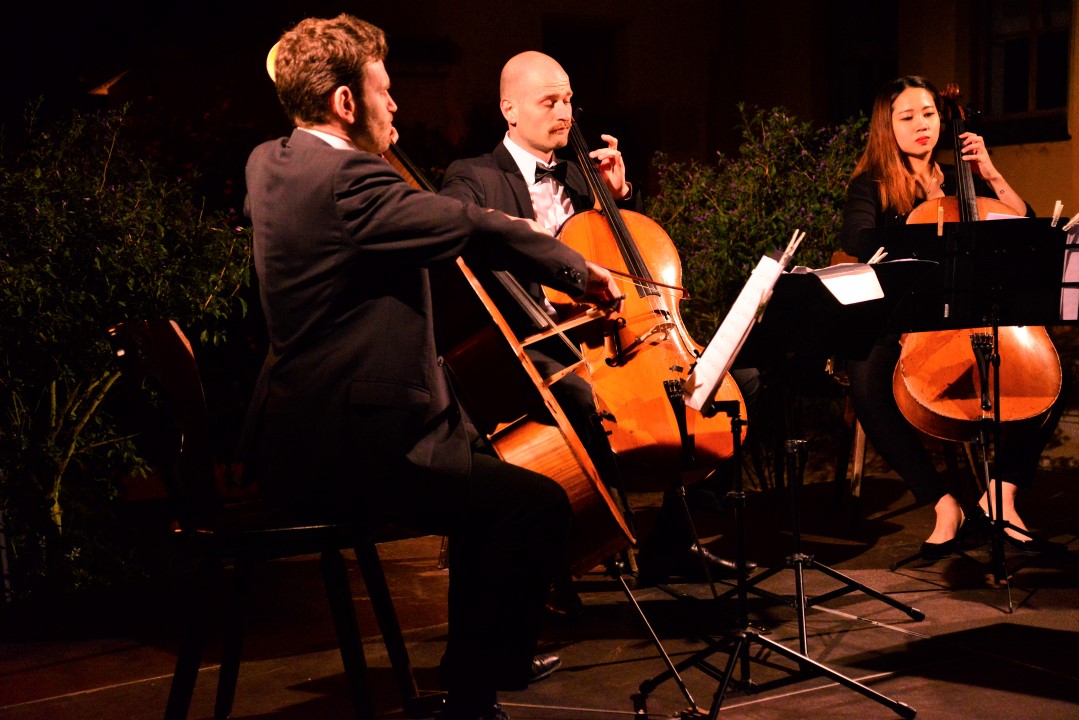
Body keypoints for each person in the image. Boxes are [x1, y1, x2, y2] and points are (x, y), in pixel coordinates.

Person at [242, 16, 623, 720]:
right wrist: (575, 268)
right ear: (345, 103)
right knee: (533, 504)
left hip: (295, 434)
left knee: (486, 479)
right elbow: (467, 222)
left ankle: (470, 681)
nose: (395, 104)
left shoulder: (272, 162)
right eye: (384, 91)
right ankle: (478, 692)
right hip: (352, 446)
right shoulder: (349, 180)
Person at [441, 51, 757, 586]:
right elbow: (460, 226)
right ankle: (569, 553)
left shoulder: (583, 178)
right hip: (537, 342)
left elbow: (640, 264)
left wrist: (620, 199)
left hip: (615, 340)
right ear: (509, 109)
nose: (564, 112)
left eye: (568, 100)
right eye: (549, 102)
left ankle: (672, 544)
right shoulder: (474, 176)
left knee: (735, 388)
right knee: (585, 400)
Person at [839, 75, 1066, 559]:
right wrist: (925, 214)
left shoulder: (961, 174)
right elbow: (857, 239)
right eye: (907, 116)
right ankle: (943, 504)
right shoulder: (871, 184)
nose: (922, 124)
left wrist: (990, 173)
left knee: (1050, 379)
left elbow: (1022, 226)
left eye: (929, 114)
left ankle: (1000, 495)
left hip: (971, 309)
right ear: (887, 126)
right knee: (867, 382)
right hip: (906, 316)